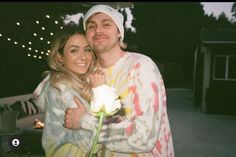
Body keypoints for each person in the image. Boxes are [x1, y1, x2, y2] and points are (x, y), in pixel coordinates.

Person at [64, 4, 175, 157]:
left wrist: (85, 121)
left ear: (119, 33)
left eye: (106, 24)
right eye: (91, 26)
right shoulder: (88, 75)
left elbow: (144, 139)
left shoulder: (141, 67)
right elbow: (85, 137)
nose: (98, 30)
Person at [34, 25, 107, 157]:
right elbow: (93, 144)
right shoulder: (62, 91)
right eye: (74, 51)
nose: (83, 57)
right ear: (59, 57)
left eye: (87, 50)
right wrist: (100, 91)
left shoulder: (78, 84)